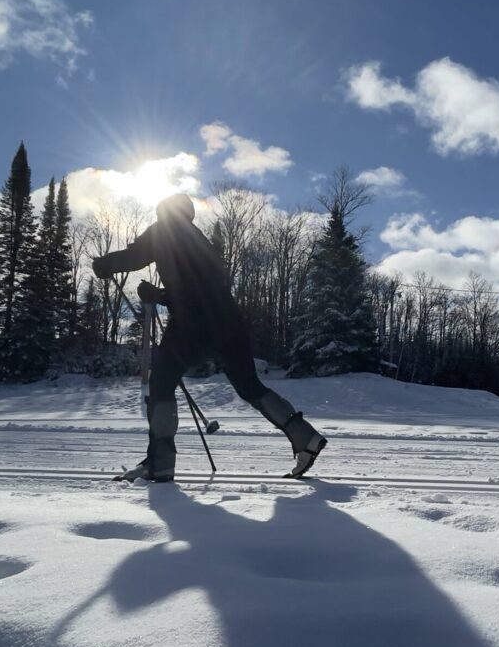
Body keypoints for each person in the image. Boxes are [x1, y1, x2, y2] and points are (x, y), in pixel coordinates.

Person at [92, 193, 327, 482]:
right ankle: (305, 438)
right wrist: (161, 295)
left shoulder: (166, 229)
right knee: (250, 386)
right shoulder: (200, 241)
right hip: (230, 321)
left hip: (194, 324)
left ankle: (160, 463)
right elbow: (201, 288)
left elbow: (137, 256)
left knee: (162, 383)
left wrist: (105, 264)